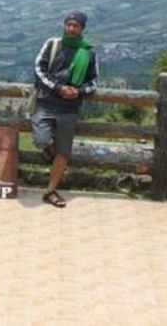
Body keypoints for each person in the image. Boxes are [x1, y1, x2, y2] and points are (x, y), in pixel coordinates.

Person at [32, 11, 98, 208]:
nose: (71, 28)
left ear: (82, 29)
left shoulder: (89, 52)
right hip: (46, 103)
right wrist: (58, 88)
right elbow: (38, 70)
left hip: (69, 109)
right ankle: (48, 149)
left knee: (63, 153)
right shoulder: (53, 45)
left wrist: (78, 92)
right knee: (41, 139)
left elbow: (93, 82)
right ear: (64, 25)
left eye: (76, 26)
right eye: (69, 24)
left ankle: (51, 191)